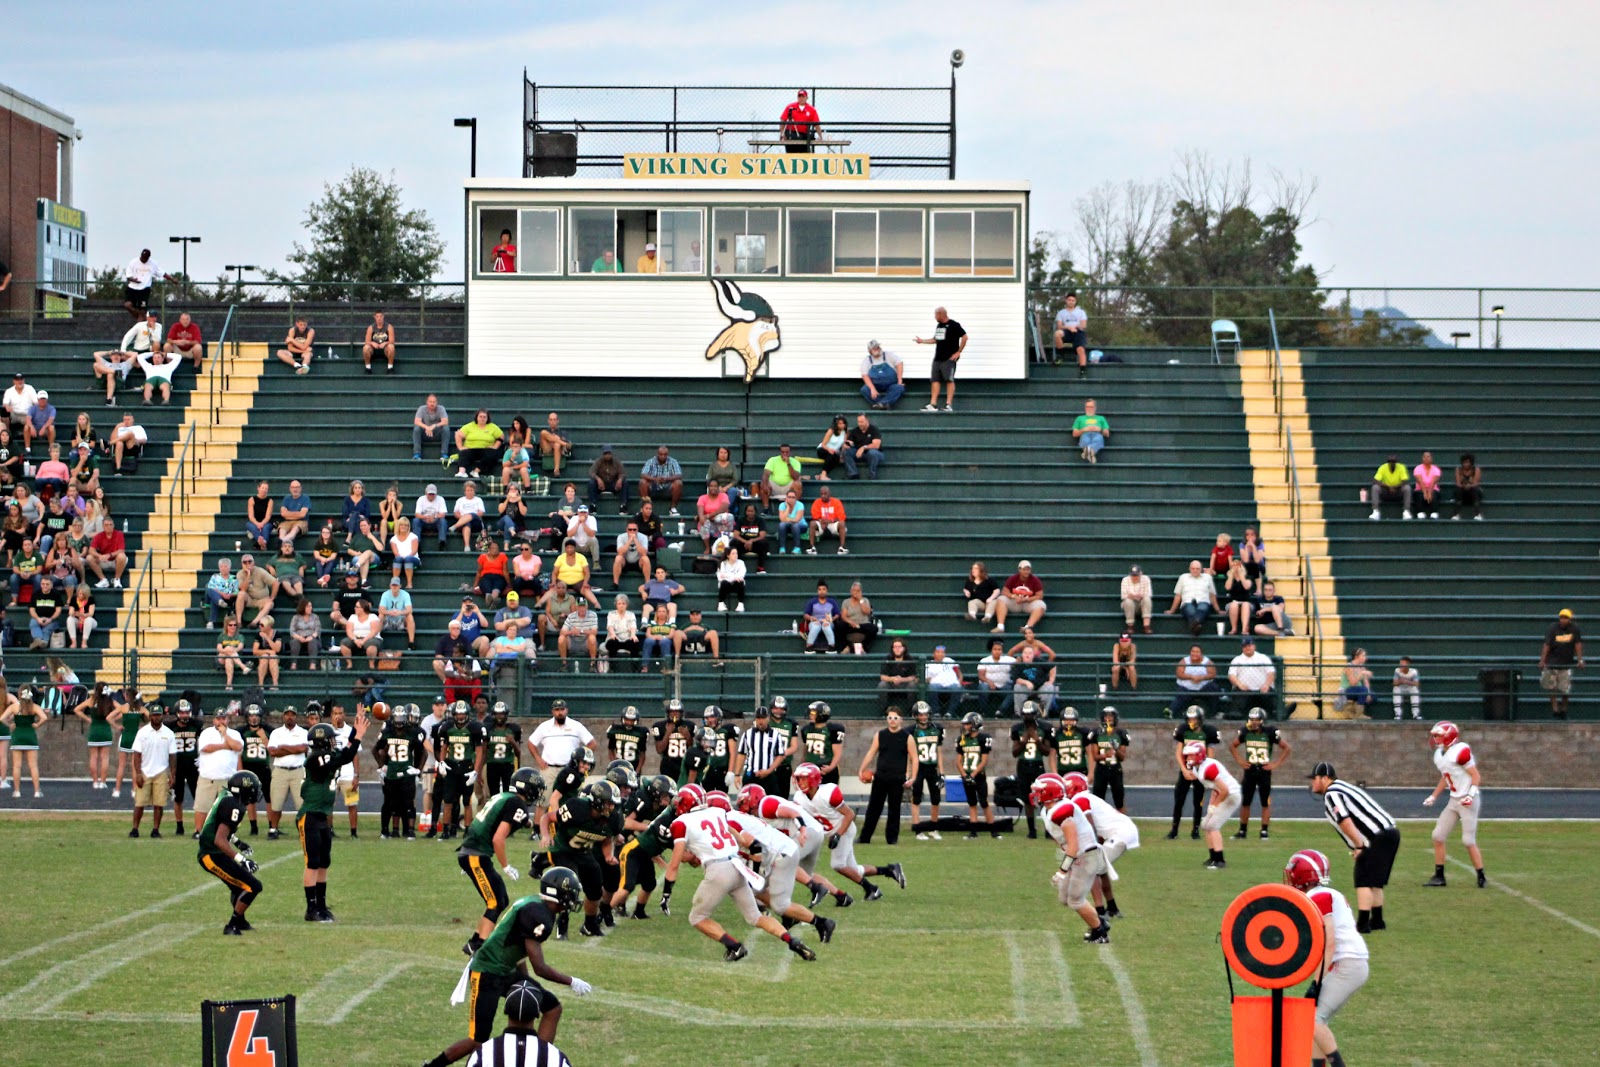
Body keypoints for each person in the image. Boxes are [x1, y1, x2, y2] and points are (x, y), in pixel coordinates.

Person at [420, 869, 589, 1066]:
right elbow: (540, 967)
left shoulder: (536, 906)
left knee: (552, 1008)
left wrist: (526, 982)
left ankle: (536, 1059)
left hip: (505, 970)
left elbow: (515, 947)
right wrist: (571, 981)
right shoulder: (537, 914)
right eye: (571, 893)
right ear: (557, 893)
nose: (574, 898)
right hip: (487, 972)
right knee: (478, 1039)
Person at [662, 784, 817, 962]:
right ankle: (793, 942)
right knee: (755, 917)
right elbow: (742, 840)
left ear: (686, 803)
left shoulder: (680, 823)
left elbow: (674, 864)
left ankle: (734, 947)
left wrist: (666, 893)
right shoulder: (717, 813)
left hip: (718, 870)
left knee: (697, 917)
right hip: (737, 866)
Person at [1282, 848, 1367, 1067]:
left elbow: (1329, 941)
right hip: (1347, 962)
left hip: (1346, 963)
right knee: (1315, 1018)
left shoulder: (1318, 896)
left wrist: (1316, 982)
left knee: (1312, 1020)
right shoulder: (1327, 893)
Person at [458, 767, 543, 957]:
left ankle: (474, 943)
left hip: (473, 851)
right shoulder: (515, 804)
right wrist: (506, 866)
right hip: (475, 854)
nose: (537, 792)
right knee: (495, 901)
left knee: (500, 899)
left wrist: (529, 824)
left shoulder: (504, 797)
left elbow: (499, 820)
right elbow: (498, 839)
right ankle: (481, 948)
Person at [1310, 761, 1400, 934]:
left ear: (1325, 778)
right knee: (1376, 881)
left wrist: (1360, 846)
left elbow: (1344, 820)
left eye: (1315, 779)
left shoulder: (1332, 794)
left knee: (1363, 878)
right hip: (1391, 833)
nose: (1312, 783)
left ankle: (1363, 924)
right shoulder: (1343, 787)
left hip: (1376, 837)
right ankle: (1377, 920)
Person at [1029, 775, 1111, 942]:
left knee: (1075, 900)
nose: (1035, 794)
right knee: (1064, 898)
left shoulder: (1062, 811)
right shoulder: (1049, 810)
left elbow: (1073, 845)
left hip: (1086, 855)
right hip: (1078, 856)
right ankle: (1099, 920)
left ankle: (1099, 932)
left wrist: (1062, 871)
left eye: (1039, 791)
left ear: (1049, 793)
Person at [195, 770, 264, 936]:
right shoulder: (234, 805)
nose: (255, 792)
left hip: (214, 852)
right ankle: (233, 924)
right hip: (211, 855)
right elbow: (219, 839)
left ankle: (240, 920)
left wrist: (238, 842)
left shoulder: (227, 797)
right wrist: (242, 859)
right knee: (253, 886)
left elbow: (218, 827)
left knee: (238, 886)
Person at [1422, 721, 1487, 889]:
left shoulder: (1461, 751)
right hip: (1454, 800)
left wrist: (1470, 796)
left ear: (1448, 736)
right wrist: (1434, 796)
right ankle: (1439, 876)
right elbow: (1447, 776)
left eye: (1437, 735)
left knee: (1468, 841)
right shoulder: (1441, 754)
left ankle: (1481, 876)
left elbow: (1476, 776)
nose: (1434, 738)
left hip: (1467, 801)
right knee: (1437, 836)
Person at [856, 708, 917, 845]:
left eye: (895, 718)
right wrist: (862, 769)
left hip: (897, 778)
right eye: (890, 718)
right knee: (873, 808)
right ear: (887, 719)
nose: (892, 721)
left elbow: (914, 758)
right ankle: (865, 837)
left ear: (901, 719)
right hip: (880, 777)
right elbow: (871, 752)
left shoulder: (907, 737)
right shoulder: (880, 735)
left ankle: (892, 839)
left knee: (894, 809)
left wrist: (912, 777)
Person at [1230, 708, 1290, 840]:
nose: (1254, 723)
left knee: (1265, 802)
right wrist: (1240, 761)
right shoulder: (1245, 732)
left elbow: (1286, 748)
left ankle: (1264, 831)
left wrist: (1275, 764)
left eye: (1257, 720)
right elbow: (1232, 746)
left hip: (1264, 770)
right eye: (1252, 720)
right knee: (1246, 801)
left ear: (1262, 720)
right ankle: (1242, 830)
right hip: (1250, 770)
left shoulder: (1269, 732)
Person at [1180, 741, 1239, 869]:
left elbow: (1225, 790)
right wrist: (1212, 803)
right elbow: (1215, 788)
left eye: (1192, 755)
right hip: (1222, 795)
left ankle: (1220, 860)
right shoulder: (1199, 767)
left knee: (1213, 825)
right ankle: (1212, 857)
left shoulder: (1208, 768)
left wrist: (1214, 805)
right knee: (1205, 825)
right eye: (1188, 755)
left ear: (1200, 755)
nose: (1189, 758)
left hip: (1231, 796)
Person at [1166, 705, 1220, 841]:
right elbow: (1178, 752)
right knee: (1179, 801)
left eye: (1194, 718)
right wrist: (1184, 770)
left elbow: (1211, 755)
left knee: (1198, 802)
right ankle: (1174, 830)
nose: (1191, 721)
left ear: (1200, 719)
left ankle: (1195, 830)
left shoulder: (1208, 731)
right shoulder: (1183, 730)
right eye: (1189, 718)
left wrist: (1202, 772)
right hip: (1186, 770)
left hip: (1200, 772)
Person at [193, 707, 245, 835]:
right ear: (213, 720)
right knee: (202, 806)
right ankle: (199, 830)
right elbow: (206, 748)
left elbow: (238, 747)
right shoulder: (206, 733)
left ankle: (227, 832)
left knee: (227, 808)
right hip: (208, 776)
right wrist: (225, 746)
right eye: (218, 718)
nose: (221, 721)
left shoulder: (234, 734)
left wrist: (225, 735)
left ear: (227, 719)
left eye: (223, 718)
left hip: (227, 777)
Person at [128, 703, 175, 836]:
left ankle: (155, 829)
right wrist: (137, 773)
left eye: (158, 715)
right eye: (154, 715)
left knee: (159, 803)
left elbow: (172, 756)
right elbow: (136, 754)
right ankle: (135, 829)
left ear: (162, 716)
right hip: (145, 770)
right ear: (150, 716)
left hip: (161, 770)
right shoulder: (142, 732)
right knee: (140, 802)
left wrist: (173, 774)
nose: (156, 717)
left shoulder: (169, 733)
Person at [1011, 702, 1055, 838]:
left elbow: (1047, 752)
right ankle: (1032, 830)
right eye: (1026, 714)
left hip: (1038, 765)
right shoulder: (1017, 728)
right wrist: (1024, 740)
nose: (1028, 718)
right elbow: (1014, 752)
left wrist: (1036, 740)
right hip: (1023, 765)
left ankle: (1048, 830)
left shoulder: (1045, 728)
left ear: (1036, 714)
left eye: (1030, 714)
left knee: (1044, 799)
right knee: (1027, 799)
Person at [266, 707, 308, 839]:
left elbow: (303, 748)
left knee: (302, 803)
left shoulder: (303, 732)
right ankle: (273, 829)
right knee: (276, 803)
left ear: (296, 717)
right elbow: (272, 752)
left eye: (292, 715)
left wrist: (283, 747)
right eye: (287, 715)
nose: (290, 717)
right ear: (283, 717)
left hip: (298, 770)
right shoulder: (276, 733)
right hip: (280, 770)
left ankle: (304, 829)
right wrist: (294, 749)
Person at [915, 307, 968, 412]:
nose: (935, 317)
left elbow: (965, 337)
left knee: (949, 380)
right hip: (938, 357)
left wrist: (959, 351)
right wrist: (922, 341)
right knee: (935, 380)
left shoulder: (954, 325)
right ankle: (933, 404)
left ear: (941, 314)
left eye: (936, 315)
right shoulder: (939, 325)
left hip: (949, 358)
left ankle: (948, 405)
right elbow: (936, 339)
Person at [954, 712, 995, 838]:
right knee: (971, 803)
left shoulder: (983, 738)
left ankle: (993, 831)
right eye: (965, 724)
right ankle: (973, 832)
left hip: (979, 775)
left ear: (975, 724)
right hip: (966, 775)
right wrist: (964, 775)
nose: (965, 726)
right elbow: (958, 761)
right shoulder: (962, 739)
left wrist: (973, 774)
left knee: (984, 802)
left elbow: (984, 761)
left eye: (967, 724)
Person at [1539, 608, 1583, 719]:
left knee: (1565, 689)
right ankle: (1555, 708)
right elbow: (1547, 645)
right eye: (1562, 617)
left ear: (1570, 619)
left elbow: (1578, 644)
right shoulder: (1553, 629)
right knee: (1551, 687)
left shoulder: (1574, 629)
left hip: (1566, 664)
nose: (1563, 620)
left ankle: (1563, 709)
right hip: (1552, 663)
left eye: (1566, 618)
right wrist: (1542, 660)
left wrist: (1579, 660)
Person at [72, 682, 117, 788]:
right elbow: (122, 709)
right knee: (104, 758)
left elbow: (76, 709)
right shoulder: (110, 701)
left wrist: (87, 718)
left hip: (94, 730)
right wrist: (113, 719)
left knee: (93, 757)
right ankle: (103, 782)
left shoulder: (91, 700)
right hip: (105, 730)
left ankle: (95, 782)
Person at [3, 686, 45, 798]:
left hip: (18, 736)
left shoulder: (14, 707)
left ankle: (17, 791)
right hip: (30, 737)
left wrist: (10, 725)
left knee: (17, 766)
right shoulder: (34, 707)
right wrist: (37, 725)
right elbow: (44, 717)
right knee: (33, 766)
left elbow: (2, 718)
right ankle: (37, 791)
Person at [1086, 707, 1130, 813]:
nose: (1108, 719)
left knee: (1119, 800)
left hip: (1116, 769)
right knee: (1097, 801)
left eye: (1110, 716)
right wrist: (1106, 755)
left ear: (1115, 718)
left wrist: (1116, 749)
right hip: (1101, 769)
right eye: (1106, 716)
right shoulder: (1096, 733)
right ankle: (1098, 825)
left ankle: (1123, 825)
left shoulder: (1121, 733)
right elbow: (1095, 756)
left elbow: (1122, 757)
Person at [1166, 559, 1220, 635]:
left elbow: (1212, 595)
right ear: (1189, 569)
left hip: (1203, 601)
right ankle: (1197, 625)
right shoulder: (1183, 577)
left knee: (1202, 608)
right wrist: (1172, 610)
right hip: (1187, 602)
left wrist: (1218, 610)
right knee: (1190, 610)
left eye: (1197, 569)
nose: (1195, 570)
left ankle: (1194, 625)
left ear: (1201, 569)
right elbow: (1178, 595)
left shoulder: (1208, 578)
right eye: (1193, 568)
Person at [798, 701, 845, 786]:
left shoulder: (832, 730)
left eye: (813, 712)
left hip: (825, 768)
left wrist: (831, 767)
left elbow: (837, 753)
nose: (810, 715)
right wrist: (802, 765)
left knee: (827, 796)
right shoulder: (806, 729)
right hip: (810, 767)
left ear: (822, 714)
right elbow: (805, 751)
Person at [992, 559, 1046, 632]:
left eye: (1028, 569)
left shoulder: (1035, 580)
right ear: (1019, 570)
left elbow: (1039, 595)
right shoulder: (1013, 578)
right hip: (1015, 603)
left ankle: (1028, 627)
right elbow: (1005, 591)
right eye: (1024, 569)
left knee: (1041, 605)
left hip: (1028, 603)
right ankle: (1000, 626)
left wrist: (1027, 599)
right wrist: (1014, 596)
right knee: (1001, 599)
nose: (1026, 572)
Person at [1228, 637, 1277, 718]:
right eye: (1245, 646)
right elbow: (1231, 675)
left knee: (1269, 693)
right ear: (1242, 648)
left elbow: (1271, 673)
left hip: (1262, 690)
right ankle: (1236, 714)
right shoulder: (1237, 660)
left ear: (1254, 646)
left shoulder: (1263, 658)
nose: (1247, 648)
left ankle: (1276, 713)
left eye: (1249, 645)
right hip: (1245, 691)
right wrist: (1240, 684)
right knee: (1238, 693)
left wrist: (1266, 685)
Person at [1170, 644, 1220, 717]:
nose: (1194, 654)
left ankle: (1214, 713)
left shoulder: (1207, 662)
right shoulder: (1184, 661)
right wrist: (1191, 677)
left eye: (1197, 652)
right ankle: (1170, 711)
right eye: (1193, 651)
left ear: (1201, 653)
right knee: (1181, 693)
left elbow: (1212, 674)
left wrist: (1201, 678)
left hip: (1203, 689)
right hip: (1187, 689)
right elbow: (1179, 674)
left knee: (1214, 688)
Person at [456, 410, 506, 480]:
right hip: (471, 448)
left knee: (493, 454)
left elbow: (501, 437)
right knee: (463, 452)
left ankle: (476, 471)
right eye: (480, 417)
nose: (482, 418)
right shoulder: (469, 426)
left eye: (484, 417)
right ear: (477, 417)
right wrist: (460, 447)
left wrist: (495, 446)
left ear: (487, 418)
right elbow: (458, 435)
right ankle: (462, 471)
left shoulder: (493, 427)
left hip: (486, 449)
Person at [754, 443, 803, 512]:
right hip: (774, 487)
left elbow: (795, 477)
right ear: (780, 452)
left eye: (787, 452)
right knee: (763, 482)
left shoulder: (795, 462)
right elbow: (766, 474)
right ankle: (766, 508)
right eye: (783, 452)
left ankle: (793, 508)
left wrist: (788, 464)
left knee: (798, 484)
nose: (784, 454)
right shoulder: (772, 460)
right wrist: (765, 485)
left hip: (788, 488)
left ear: (790, 452)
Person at [637, 445, 684, 514]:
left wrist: (667, 479)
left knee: (678, 483)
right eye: (661, 454)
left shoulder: (673, 461)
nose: (663, 456)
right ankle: (645, 507)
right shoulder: (651, 461)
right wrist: (654, 479)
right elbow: (643, 474)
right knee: (642, 482)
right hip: (653, 487)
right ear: (657, 454)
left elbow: (679, 475)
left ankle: (673, 508)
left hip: (668, 487)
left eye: (665, 455)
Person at [860, 340, 906, 409]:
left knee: (899, 388)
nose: (876, 350)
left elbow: (899, 363)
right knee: (865, 389)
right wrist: (872, 389)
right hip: (876, 386)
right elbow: (865, 375)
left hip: (891, 385)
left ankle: (881, 404)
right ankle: (884, 404)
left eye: (877, 347)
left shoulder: (888, 355)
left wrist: (899, 381)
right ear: (869, 350)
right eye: (874, 348)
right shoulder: (867, 360)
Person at [1054, 292, 1089, 375]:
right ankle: (1060, 356)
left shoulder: (1081, 312)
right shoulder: (1061, 312)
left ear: (1075, 302)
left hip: (1078, 332)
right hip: (1066, 332)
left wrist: (1075, 327)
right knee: (1057, 333)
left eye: (1073, 300)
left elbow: (1083, 325)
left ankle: (1082, 371)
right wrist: (1069, 328)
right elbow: (1059, 326)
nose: (1071, 302)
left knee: (1080, 349)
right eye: (1069, 300)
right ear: (1066, 301)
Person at [840, 413, 883, 480]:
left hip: (874, 453)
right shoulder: (855, 431)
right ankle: (853, 473)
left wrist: (863, 448)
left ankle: (872, 474)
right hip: (858, 453)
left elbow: (876, 445)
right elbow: (849, 443)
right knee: (847, 452)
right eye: (858, 422)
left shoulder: (874, 430)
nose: (859, 424)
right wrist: (846, 445)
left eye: (861, 422)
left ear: (867, 420)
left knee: (873, 453)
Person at [122, 248, 165, 317]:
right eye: (142, 257)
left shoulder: (153, 264)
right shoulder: (133, 262)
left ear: (148, 258)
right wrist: (134, 280)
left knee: (143, 311)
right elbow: (128, 276)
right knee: (127, 305)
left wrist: (172, 279)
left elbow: (162, 273)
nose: (143, 259)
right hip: (132, 289)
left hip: (144, 291)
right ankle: (140, 316)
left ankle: (141, 319)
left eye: (145, 258)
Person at [1368, 454, 1412, 520]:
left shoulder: (1401, 467)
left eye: (1393, 461)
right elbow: (1375, 480)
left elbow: (1405, 481)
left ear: (1396, 462)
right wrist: (1388, 487)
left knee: (1407, 488)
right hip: (1386, 492)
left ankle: (1406, 511)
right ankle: (1376, 511)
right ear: (1388, 462)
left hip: (1398, 492)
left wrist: (1395, 487)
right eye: (1390, 461)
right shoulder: (1383, 467)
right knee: (1375, 487)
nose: (1392, 463)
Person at [588, 444, 629, 514]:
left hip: (613, 484)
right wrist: (598, 479)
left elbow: (623, 473)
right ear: (603, 454)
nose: (607, 455)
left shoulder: (616, 461)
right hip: (601, 485)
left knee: (625, 483)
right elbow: (591, 472)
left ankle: (623, 506)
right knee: (591, 483)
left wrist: (620, 479)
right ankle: (593, 505)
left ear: (611, 454)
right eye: (605, 454)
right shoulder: (598, 461)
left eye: (609, 453)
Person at [802, 580, 841, 653]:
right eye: (819, 589)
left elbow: (837, 614)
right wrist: (811, 618)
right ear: (817, 591)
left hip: (828, 622)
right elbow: (805, 614)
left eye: (824, 589)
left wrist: (831, 618)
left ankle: (831, 647)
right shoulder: (812, 602)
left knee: (826, 625)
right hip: (815, 622)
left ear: (827, 591)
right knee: (816, 626)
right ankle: (808, 647)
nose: (822, 591)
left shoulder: (832, 602)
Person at [838, 581, 875, 654]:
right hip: (850, 624)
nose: (855, 592)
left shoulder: (865, 600)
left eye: (857, 591)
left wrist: (860, 600)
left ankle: (863, 647)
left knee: (873, 628)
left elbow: (867, 612)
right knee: (840, 625)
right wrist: (850, 622)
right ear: (851, 591)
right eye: (854, 590)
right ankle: (847, 647)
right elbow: (843, 616)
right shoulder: (846, 602)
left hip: (862, 624)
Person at [1334, 648, 1374, 714]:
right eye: (1363, 656)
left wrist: (1368, 693)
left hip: (1358, 690)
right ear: (1356, 657)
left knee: (1373, 695)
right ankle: (1359, 714)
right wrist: (1361, 673)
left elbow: (1366, 683)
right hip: (1347, 690)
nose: (1365, 658)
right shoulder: (1349, 666)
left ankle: (1352, 708)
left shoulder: (1362, 667)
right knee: (1363, 690)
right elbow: (1352, 683)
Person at [604, 594, 641, 663]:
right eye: (619, 603)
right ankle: (612, 668)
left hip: (627, 639)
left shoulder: (631, 614)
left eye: (623, 603)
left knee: (636, 644)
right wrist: (612, 634)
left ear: (626, 605)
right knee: (612, 643)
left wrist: (633, 635)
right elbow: (610, 626)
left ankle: (635, 669)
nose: (621, 605)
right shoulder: (611, 614)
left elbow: (633, 626)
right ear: (616, 605)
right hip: (615, 638)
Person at [413, 394, 451, 461]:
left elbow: (445, 421)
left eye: (434, 402)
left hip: (437, 433)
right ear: (427, 402)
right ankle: (417, 454)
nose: (432, 404)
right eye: (430, 401)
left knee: (446, 428)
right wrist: (427, 427)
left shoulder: (441, 408)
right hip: (425, 433)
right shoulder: (421, 408)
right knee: (417, 429)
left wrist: (434, 426)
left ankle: (444, 454)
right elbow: (417, 421)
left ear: (437, 403)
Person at [1072, 399, 1110, 463]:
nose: (1089, 409)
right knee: (1085, 440)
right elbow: (1074, 434)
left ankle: (1087, 452)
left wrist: (1100, 430)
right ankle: (1091, 453)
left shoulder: (1101, 418)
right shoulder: (1079, 418)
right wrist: (1084, 429)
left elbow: (1107, 434)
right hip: (1084, 434)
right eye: (1087, 407)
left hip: (1097, 434)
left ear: (1095, 408)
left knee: (1098, 439)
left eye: (1091, 407)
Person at [1222, 558, 1254, 635]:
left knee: (1245, 605)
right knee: (1234, 605)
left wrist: (1241, 575)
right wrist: (1231, 575)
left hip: (1245, 602)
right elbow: (1227, 587)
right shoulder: (1230, 579)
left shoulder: (1248, 579)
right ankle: (1234, 628)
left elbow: (1246, 586)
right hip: (1233, 602)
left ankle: (1244, 629)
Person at [1120, 564, 1153, 633]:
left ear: (1141, 574)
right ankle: (1130, 626)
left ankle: (1146, 626)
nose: (1135, 577)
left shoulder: (1146, 579)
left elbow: (1148, 594)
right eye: (1133, 575)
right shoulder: (1125, 580)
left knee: (1147, 599)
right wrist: (1135, 596)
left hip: (1142, 603)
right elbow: (1124, 596)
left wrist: (1135, 596)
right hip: (1130, 604)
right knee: (1128, 602)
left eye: (1136, 575)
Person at [814, 415, 848, 480]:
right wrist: (829, 449)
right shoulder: (831, 431)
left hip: (834, 452)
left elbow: (843, 445)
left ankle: (821, 475)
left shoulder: (845, 432)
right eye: (840, 423)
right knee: (830, 455)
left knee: (836, 458)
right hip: (823, 449)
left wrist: (841, 455)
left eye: (843, 423)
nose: (842, 425)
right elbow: (823, 444)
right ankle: (823, 475)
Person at [538, 412, 572, 477]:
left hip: (559, 450)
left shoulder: (562, 432)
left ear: (557, 421)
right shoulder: (547, 431)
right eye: (551, 420)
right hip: (547, 449)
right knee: (543, 432)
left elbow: (567, 445)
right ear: (548, 421)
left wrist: (556, 440)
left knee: (557, 444)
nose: (552, 421)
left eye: (554, 419)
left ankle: (556, 470)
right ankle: (561, 442)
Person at [1412, 450, 1443, 518]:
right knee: (1419, 494)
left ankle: (1434, 512)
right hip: (1420, 489)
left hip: (1432, 489)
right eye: (1424, 457)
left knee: (1434, 493)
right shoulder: (1418, 468)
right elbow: (1420, 481)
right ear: (1422, 458)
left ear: (1431, 458)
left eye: (1428, 457)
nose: (1426, 458)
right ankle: (1420, 512)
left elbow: (1433, 482)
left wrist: (1429, 492)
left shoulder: (1436, 469)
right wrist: (1425, 493)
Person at [1452, 453, 1483, 520]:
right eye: (1464, 462)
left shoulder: (1476, 469)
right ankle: (1456, 514)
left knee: (1475, 489)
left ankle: (1478, 514)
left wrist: (1470, 485)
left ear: (1471, 463)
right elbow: (1458, 483)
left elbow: (1476, 483)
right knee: (1458, 489)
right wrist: (1464, 486)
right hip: (1462, 493)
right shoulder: (1458, 469)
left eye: (1467, 462)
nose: (1465, 464)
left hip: (1473, 493)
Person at [715, 547, 747, 613]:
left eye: (736, 553)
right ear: (728, 555)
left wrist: (727, 575)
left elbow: (741, 574)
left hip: (736, 585)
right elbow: (721, 576)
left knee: (740, 582)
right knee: (724, 583)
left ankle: (740, 604)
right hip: (726, 585)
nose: (735, 555)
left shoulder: (741, 563)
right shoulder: (723, 563)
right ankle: (720, 603)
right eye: (733, 553)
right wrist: (734, 577)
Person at [1392, 656, 1422, 720]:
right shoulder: (1397, 670)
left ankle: (1415, 714)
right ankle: (1398, 714)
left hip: (1410, 687)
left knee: (1415, 690)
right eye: (1401, 663)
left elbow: (1417, 683)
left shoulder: (1414, 671)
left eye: (1403, 663)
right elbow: (1394, 683)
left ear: (1407, 664)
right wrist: (1401, 681)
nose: (1401, 664)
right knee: (1396, 689)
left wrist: (1406, 681)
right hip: (1401, 687)